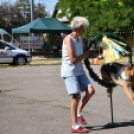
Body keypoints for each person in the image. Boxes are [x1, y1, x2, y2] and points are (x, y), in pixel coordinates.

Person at [61, 16, 102, 133]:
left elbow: (86, 53)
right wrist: (85, 55)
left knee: (91, 91)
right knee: (77, 96)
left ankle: (79, 112)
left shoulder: (80, 39)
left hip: (79, 71)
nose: (84, 31)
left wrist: (97, 56)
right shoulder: (68, 39)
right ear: (75, 28)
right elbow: (73, 59)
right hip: (70, 72)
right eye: (82, 29)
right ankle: (74, 126)